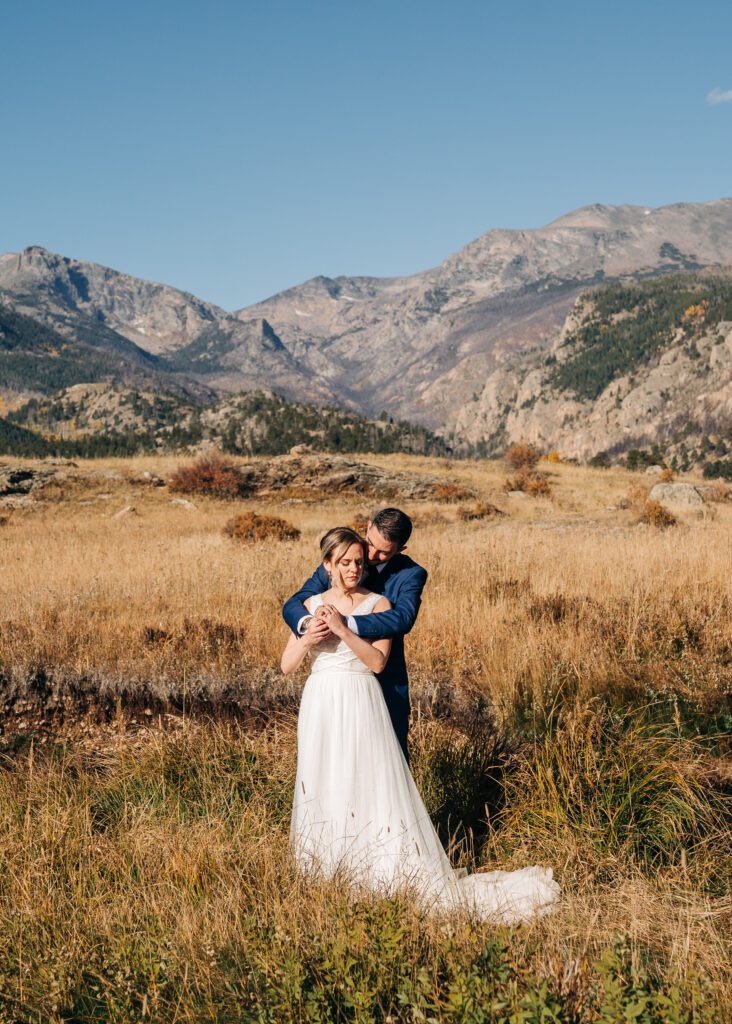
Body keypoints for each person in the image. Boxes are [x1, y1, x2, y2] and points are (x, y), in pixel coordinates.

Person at [281, 526, 561, 924]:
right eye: (346, 562)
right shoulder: (310, 603)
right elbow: (286, 664)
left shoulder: (378, 604)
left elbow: (377, 663)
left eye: (359, 562)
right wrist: (310, 635)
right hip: (320, 701)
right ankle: (326, 871)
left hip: (361, 699)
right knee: (322, 777)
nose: (356, 568)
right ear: (327, 565)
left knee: (368, 779)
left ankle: (378, 868)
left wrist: (344, 629)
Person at [282, 507, 426, 761]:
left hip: (383, 680)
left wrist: (344, 623)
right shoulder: (342, 555)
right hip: (328, 689)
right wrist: (307, 624)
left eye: (384, 552)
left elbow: (402, 619)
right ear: (368, 526)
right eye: (370, 544)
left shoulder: (410, 574)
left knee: (388, 760)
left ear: (400, 550)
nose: (371, 555)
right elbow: (296, 602)